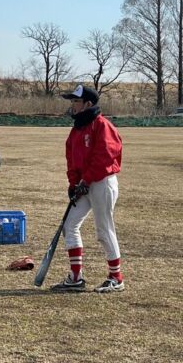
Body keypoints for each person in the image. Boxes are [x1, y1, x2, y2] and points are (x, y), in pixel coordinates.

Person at [51, 84, 124, 293]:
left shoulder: (102, 125)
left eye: (75, 101)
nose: (72, 105)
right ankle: (76, 277)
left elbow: (104, 157)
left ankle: (116, 277)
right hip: (84, 184)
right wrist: (73, 184)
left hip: (102, 182)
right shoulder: (76, 130)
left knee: (104, 229)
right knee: (70, 225)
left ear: (87, 104)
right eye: (72, 101)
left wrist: (86, 181)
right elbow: (71, 160)